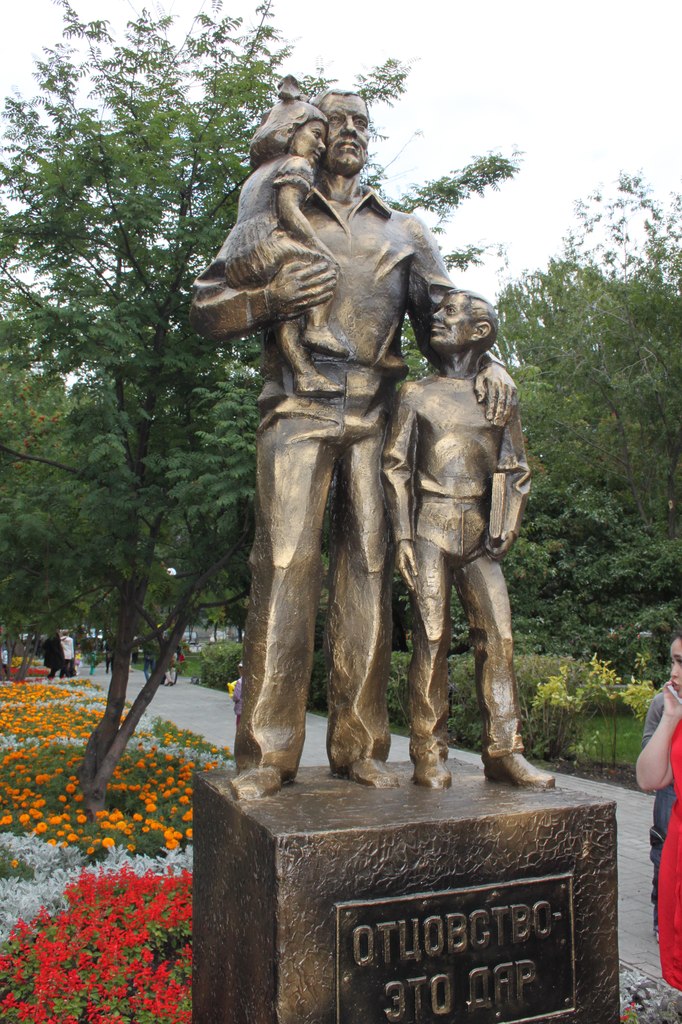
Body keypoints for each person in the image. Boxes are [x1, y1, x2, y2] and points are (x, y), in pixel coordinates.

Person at [191, 88, 516, 800]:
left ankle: (361, 747)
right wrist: (270, 301)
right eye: (336, 121)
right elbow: (207, 306)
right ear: (310, 132)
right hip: (296, 411)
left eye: (361, 124)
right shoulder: (275, 210)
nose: (350, 133)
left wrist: (492, 365)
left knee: (368, 569)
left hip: (377, 414)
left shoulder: (404, 231)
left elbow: (451, 317)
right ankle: (267, 756)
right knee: (284, 565)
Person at [382, 290, 554, 790]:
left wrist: (507, 522)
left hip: (480, 533)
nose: (437, 317)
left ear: (480, 332)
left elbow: (515, 466)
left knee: (498, 637)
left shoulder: (499, 394)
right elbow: (395, 467)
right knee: (432, 638)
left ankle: (504, 751)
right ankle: (428, 750)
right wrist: (403, 536)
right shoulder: (415, 393)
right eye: (438, 311)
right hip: (430, 527)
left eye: (451, 312)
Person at [220, 75, 350, 397]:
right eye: (317, 135)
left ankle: (304, 373)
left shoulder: (257, 174)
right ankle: (318, 329)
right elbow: (289, 209)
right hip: (268, 243)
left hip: (241, 253)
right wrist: (316, 246)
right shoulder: (296, 164)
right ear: (291, 130)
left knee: (290, 310)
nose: (322, 145)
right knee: (325, 267)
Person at [636, 630, 682, 987]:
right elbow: (649, 778)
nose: (674, 672)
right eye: (673, 661)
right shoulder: (670, 707)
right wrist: (670, 717)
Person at [642, 687, 676, 940]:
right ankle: (661, 919)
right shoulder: (661, 703)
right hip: (670, 787)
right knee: (663, 850)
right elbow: (647, 746)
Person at [231, 662, 243, 731]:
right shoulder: (252, 681)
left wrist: (233, 697)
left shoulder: (240, 681)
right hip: (250, 710)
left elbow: (236, 696)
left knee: (239, 726)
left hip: (241, 709)